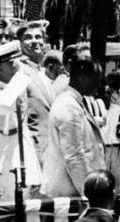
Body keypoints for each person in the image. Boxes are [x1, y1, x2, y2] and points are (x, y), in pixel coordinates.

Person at [0, 40, 41, 200]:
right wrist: (22, 73)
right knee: (6, 221)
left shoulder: (9, 92)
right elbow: (4, 103)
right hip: (7, 173)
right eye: (12, 63)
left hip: (21, 169)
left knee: (29, 220)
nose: (16, 66)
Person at [41, 48, 106, 197]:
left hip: (72, 190)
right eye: (96, 80)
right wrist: (89, 194)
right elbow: (74, 155)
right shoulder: (68, 106)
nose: (99, 85)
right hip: (68, 192)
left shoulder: (75, 102)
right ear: (83, 78)